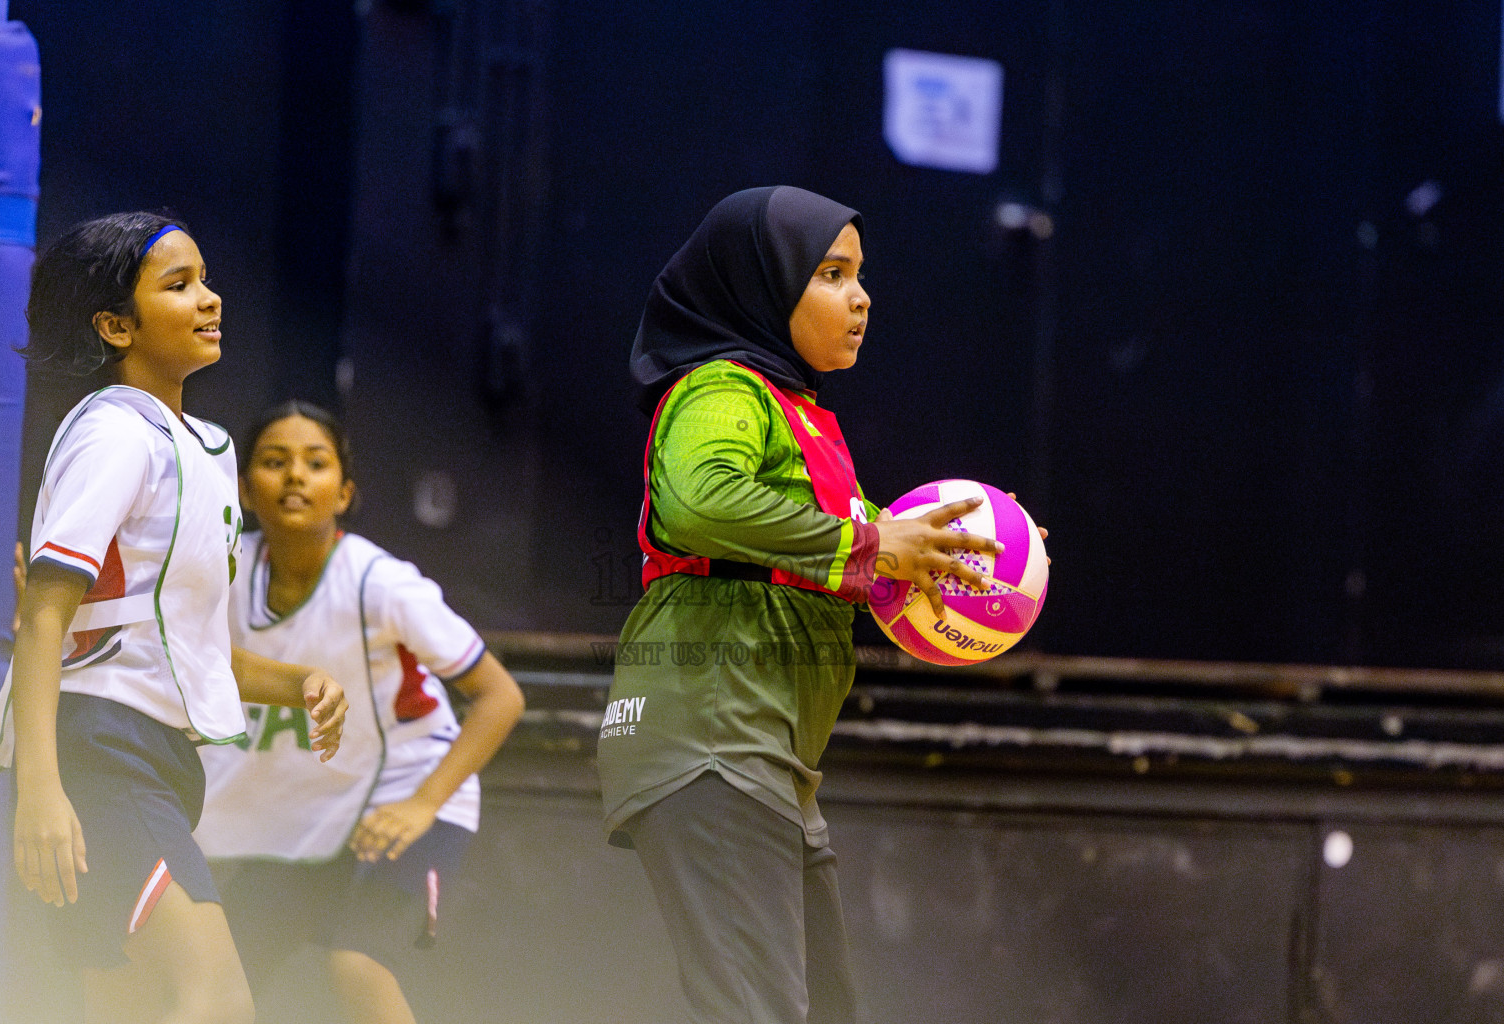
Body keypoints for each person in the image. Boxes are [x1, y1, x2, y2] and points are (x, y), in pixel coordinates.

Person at [597, 186, 1022, 1024]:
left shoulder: (808, 423)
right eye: (831, 274)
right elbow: (696, 501)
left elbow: (872, 558)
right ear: (762, 285)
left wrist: (982, 558)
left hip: (770, 758)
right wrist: (873, 547)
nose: (860, 298)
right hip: (711, 737)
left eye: (860, 277)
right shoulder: (723, 388)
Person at [0, 211, 348, 1024]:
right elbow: (45, 617)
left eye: (207, 278)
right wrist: (42, 793)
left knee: (120, 1009)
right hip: (96, 754)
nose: (209, 299)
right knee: (217, 1000)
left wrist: (303, 684)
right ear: (116, 325)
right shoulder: (113, 434)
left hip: (154, 757)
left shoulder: (207, 450)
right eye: (179, 285)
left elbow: (198, 654)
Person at [193, 400, 526, 1024]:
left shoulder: (382, 583)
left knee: (358, 965)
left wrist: (422, 804)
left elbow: (501, 697)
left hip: (404, 800)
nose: (295, 476)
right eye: (274, 461)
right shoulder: (223, 574)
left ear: (344, 493)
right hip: (305, 814)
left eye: (316, 464)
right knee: (214, 985)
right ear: (243, 489)